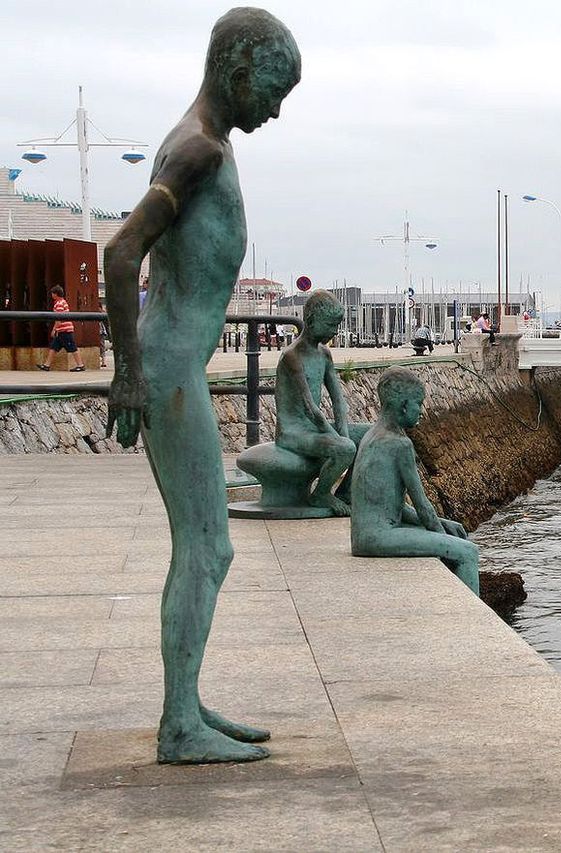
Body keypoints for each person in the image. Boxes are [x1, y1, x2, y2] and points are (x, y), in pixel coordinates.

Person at [103, 7, 301, 765]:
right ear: (238, 68)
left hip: (171, 364)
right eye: (274, 90)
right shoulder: (196, 153)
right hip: (171, 371)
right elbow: (122, 255)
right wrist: (128, 377)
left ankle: (186, 703)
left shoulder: (203, 143)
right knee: (207, 546)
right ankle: (179, 724)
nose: (277, 110)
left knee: (204, 545)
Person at [349, 367, 480, 594]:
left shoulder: (371, 435)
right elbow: (423, 506)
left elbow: (391, 505)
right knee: (468, 552)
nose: (421, 411)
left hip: (364, 534)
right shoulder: (400, 445)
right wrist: (443, 541)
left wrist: (444, 524)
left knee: (453, 533)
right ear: (404, 405)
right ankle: (474, 625)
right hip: (378, 538)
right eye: (418, 404)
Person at [274, 290, 358, 516]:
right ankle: (320, 493)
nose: (335, 331)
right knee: (346, 447)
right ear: (311, 320)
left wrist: (343, 430)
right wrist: (336, 437)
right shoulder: (292, 356)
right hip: (293, 432)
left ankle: (345, 491)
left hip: (313, 429)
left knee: (368, 435)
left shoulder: (324, 354)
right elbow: (311, 408)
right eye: (330, 325)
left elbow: (338, 399)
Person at [37, 285, 86, 372]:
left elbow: (58, 318)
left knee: (72, 347)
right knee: (53, 348)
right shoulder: (63, 302)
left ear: (56, 294)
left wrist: (54, 329)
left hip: (65, 330)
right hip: (63, 329)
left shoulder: (59, 304)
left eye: (52, 293)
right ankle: (46, 365)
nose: (51, 295)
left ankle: (80, 365)